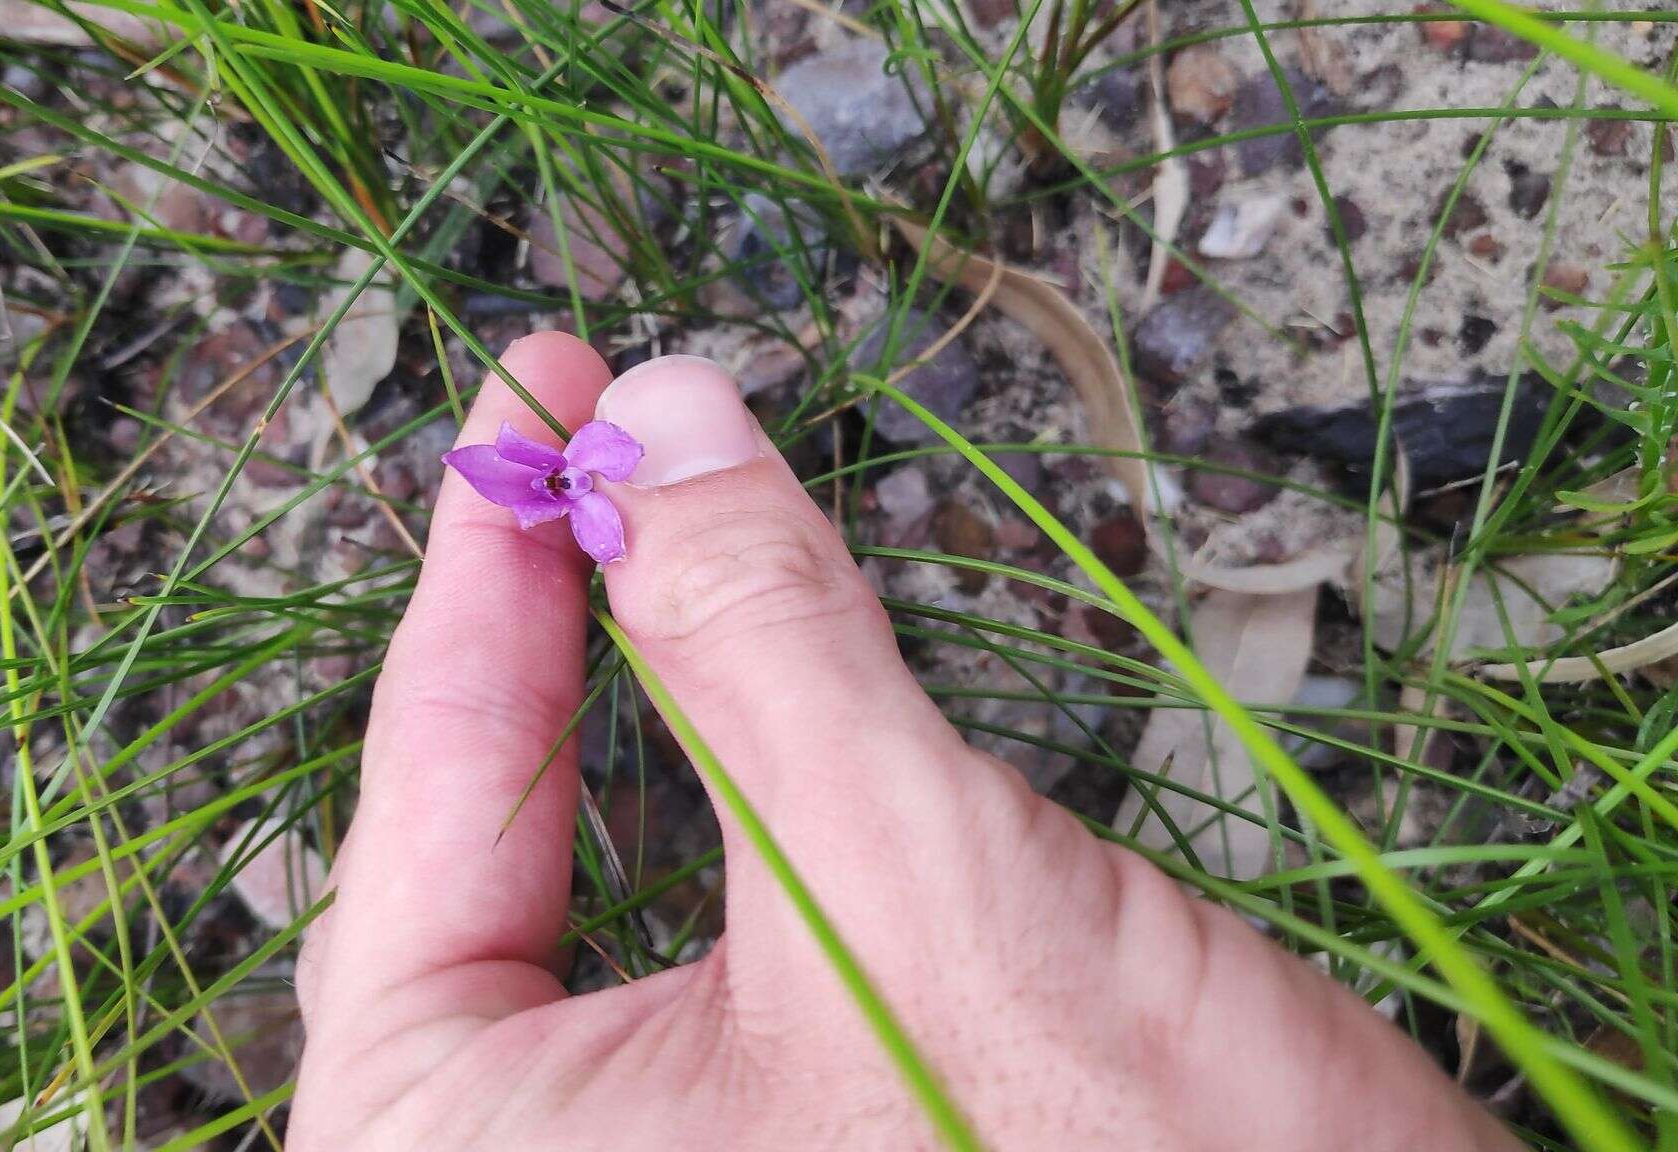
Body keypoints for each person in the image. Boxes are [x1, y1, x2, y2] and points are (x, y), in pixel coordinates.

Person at [285, 333, 1520, 1149]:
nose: (561, 488)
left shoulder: (597, 484)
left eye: (566, 483)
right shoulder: (566, 488)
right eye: (555, 484)